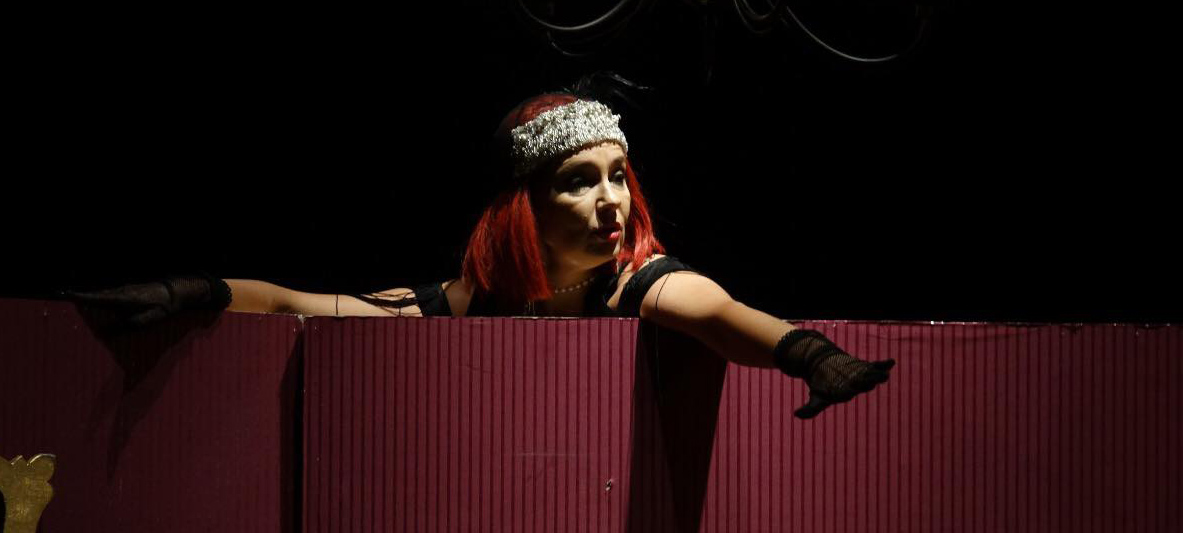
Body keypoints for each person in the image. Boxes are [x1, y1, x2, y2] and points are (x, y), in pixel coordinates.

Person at [66, 83, 895, 419]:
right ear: (525, 206)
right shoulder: (473, 300)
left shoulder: (638, 282)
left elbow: (716, 313)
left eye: (618, 175)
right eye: (579, 181)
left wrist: (811, 355)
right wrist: (199, 290)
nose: (611, 199)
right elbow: (304, 306)